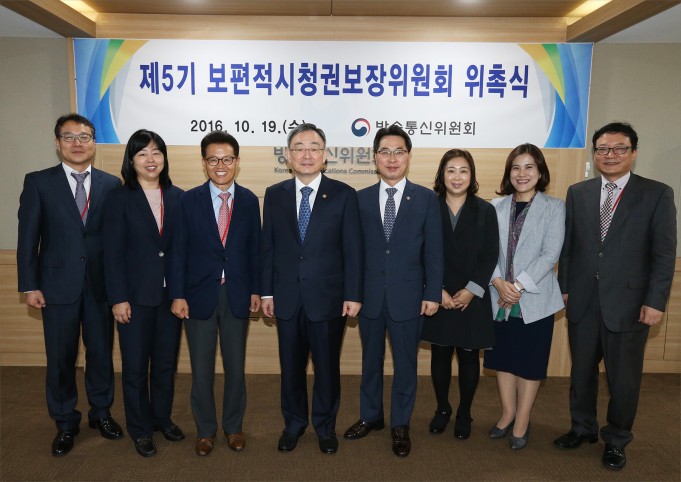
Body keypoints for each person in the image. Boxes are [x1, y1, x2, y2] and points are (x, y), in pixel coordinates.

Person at [554, 122, 677, 470]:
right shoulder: (578, 192)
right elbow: (569, 247)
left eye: (619, 148)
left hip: (629, 304)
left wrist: (655, 301)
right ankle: (582, 428)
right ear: (595, 155)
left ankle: (617, 439)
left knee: (623, 379)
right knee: (581, 373)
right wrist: (564, 287)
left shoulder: (656, 194)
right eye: (603, 149)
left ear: (633, 153)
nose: (610, 155)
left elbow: (664, 254)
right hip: (583, 301)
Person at [17, 113, 123, 456]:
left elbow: (117, 240)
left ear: (94, 143)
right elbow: (28, 238)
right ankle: (65, 421)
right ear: (57, 143)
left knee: (100, 355)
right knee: (60, 358)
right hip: (55, 287)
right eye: (69, 137)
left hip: (100, 287)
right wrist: (29, 285)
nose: (77, 143)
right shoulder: (38, 182)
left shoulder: (112, 184)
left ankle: (101, 413)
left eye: (84, 137)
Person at [261, 123, 362, 455]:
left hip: (328, 299)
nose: (307, 154)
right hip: (287, 298)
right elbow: (268, 247)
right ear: (288, 155)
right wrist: (267, 293)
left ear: (325, 155)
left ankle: (325, 427)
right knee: (291, 368)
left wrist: (353, 294)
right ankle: (293, 425)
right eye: (299, 148)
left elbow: (353, 250)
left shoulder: (344, 194)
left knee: (327, 368)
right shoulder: (274, 194)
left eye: (314, 147)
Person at [344, 125, 443, 457]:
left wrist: (432, 293)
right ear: (375, 157)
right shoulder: (359, 199)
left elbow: (434, 252)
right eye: (385, 152)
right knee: (370, 361)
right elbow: (353, 254)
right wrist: (352, 293)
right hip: (369, 298)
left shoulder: (427, 199)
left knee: (405, 364)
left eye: (399, 151)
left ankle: (401, 424)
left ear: (408, 156)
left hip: (409, 298)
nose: (392, 158)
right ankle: (371, 416)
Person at [169, 130, 261, 456]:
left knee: (235, 368)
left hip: (236, 295)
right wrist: (178, 294)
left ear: (237, 161)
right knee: (201, 369)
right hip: (197, 297)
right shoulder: (187, 200)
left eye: (227, 159)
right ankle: (205, 431)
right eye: (213, 160)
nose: (220, 166)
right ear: (204, 163)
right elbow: (178, 251)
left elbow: (255, 250)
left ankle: (234, 427)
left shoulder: (249, 200)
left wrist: (256, 290)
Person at [103, 129, 184, 457]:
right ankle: (140, 428)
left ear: (164, 158)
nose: (151, 160)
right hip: (134, 298)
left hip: (169, 299)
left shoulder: (178, 196)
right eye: (142, 153)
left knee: (165, 364)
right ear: (131, 160)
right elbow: (112, 253)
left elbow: (180, 251)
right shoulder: (119, 198)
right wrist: (118, 298)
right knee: (135, 367)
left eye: (156, 152)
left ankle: (161, 418)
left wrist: (180, 293)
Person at [483, 143, 565, 450]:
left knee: (529, 361)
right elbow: (486, 250)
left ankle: (522, 419)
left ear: (540, 172)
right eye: (516, 167)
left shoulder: (554, 207)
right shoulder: (495, 206)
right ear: (508, 173)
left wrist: (516, 287)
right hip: (498, 296)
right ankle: (507, 413)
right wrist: (497, 282)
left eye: (529, 167)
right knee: (503, 359)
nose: (522, 173)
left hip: (534, 298)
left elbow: (550, 254)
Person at [420, 149, 499, 440]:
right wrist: (435, 289)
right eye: (450, 170)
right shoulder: (428, 205)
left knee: (468, 357)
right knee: (440, 354)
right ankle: (442, 408)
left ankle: (465, 412)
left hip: (472, 297)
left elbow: (490, 254)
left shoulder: (485, 210)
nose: (457, 177)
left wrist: (472, 290)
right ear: (441, 174)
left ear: (472, 175)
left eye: (463, 170)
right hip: (438, 295)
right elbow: (419, 251)